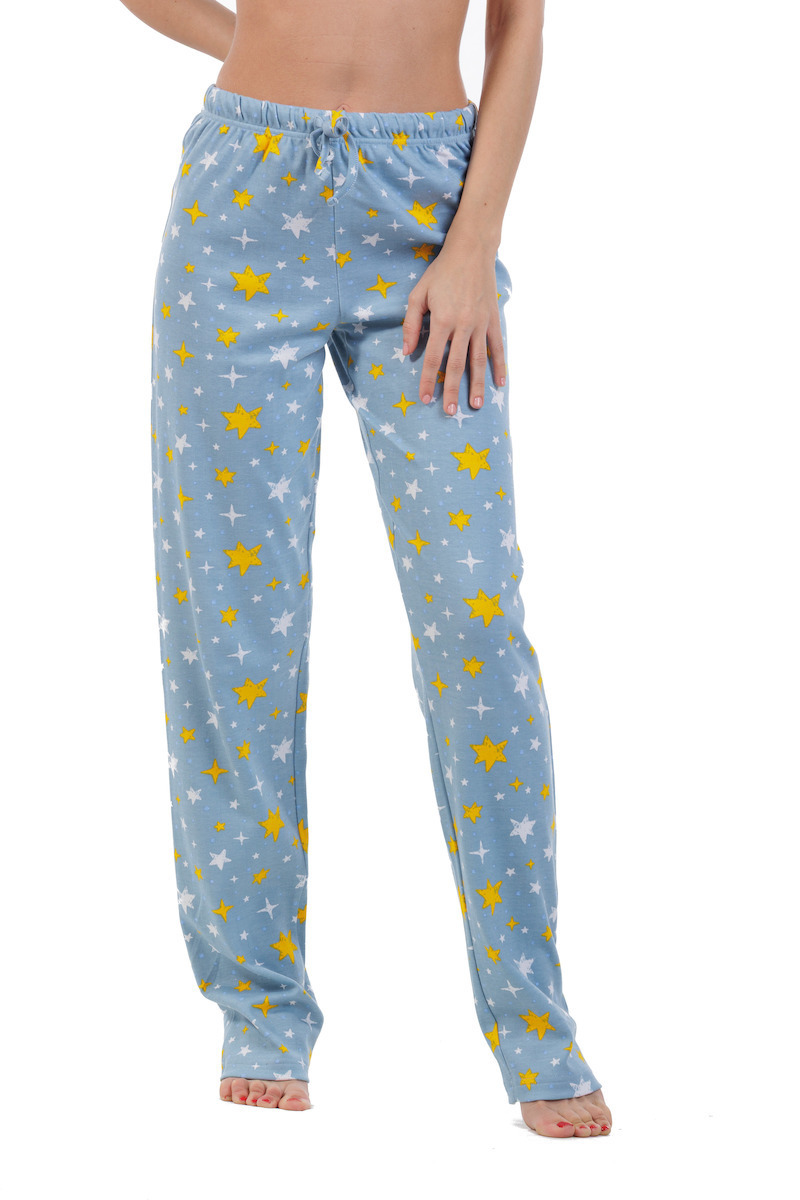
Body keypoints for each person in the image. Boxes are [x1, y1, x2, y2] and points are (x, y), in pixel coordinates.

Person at [121, 0, 613, 1139]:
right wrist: (247, 48)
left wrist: (473, 244)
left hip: (427, 204)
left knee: (475, 620)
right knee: (232, 632)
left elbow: (519, 28)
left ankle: (532, 1019)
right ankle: (259, 1007)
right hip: (241, 200)